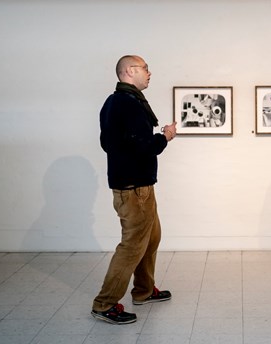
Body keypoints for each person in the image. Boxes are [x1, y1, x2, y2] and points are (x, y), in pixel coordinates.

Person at [92, 55, 177, 324]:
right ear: (130, 71)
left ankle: (142, 291)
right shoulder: (126, 104)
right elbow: (142, 146)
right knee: (132, 246)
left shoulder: (116, 102)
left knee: (151, 239)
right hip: (134, 187)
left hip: (138, 185)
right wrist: (164, 137)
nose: (149, 73)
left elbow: (113, 143)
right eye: (145, 68)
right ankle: (104, 304)